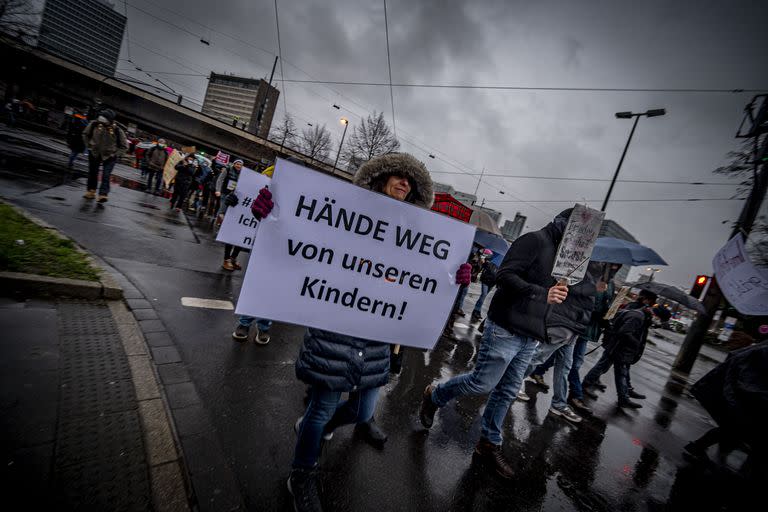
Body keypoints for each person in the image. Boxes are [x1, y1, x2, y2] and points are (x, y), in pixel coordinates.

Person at [285, 153, 470, 512]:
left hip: (376, 333)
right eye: (399, 175)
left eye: (411, 181)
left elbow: (426, 274)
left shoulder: (414, 231)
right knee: (322, 406)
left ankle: (312, 426)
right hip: (337, 325)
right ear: (381, 178)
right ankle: (302, 472)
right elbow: (306, 236)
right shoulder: (348, 214)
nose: (405, 183)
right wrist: (268, 216)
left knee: (362, 408)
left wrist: (453, 279)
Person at [419, 209, 572, 479]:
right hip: (505, 327)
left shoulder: (564, 259)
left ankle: (489, 443)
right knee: (483, 383)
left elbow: (550, 296)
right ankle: (435, 395)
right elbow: (505, 276)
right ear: (564, 225)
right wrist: (541, 292)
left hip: (530, 335)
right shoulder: (534, 240)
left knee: (508, 390)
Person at [516, 261, 603, 423]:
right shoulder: (580, 268)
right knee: (538, 357)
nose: (613, 267)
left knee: (564, 367)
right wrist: (594, 288)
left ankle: (559, 404)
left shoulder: (598, 277)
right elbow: (570, 288)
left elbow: (589, 306)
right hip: (562, 323)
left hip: (574, 328)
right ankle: (513, 383)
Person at [685, 341, 768, 470]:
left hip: (747, 392)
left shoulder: (760, 350)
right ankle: (698, 446)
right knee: (739, 427)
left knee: (737, 428)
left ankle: (698, 446)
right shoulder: (761, 352)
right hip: (745, 392)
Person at [581, 289, 657, 409]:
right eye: (652, 301)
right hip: (618, 346)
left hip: (620, 346)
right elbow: (624, 329)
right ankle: (588, 385)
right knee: (607, 367)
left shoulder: (639, 311)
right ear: (646, 299)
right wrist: (635, 343)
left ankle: (624, 394)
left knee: (615, 369)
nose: (652, 304)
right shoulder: (635, 310)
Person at [81, 109, 127, 203]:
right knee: (93, 173)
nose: (101, 119)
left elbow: (124, 146)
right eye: (100, 117)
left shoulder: (117, 130)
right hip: (94, 152)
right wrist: (89, 146)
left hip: (109, 156)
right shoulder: (94, 124)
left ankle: (103, 194)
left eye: (104, 118)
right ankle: (91, 191)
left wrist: (115, 154)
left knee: (106, 175)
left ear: (110, 120)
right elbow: (85, 134)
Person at [216, 159, 245, 271]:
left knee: (243, 233)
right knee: (225, 218)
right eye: (237, 163)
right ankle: (226, 259)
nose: (238, 166)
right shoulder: (228, 170)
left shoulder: (244, 175)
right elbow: (220, 180)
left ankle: (233, 258)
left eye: (240, 164)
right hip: (226, 195)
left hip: (239, 201)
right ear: (234, 164)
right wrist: (218, 190)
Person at [470, 249, 498, 322]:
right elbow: (482, 264)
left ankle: (477, 311)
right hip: (485, 280)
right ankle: (476, 310)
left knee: (484, 296)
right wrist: (483, 260)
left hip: (492, 282)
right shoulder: (490, 258)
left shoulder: (500, 264)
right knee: (483, 295)